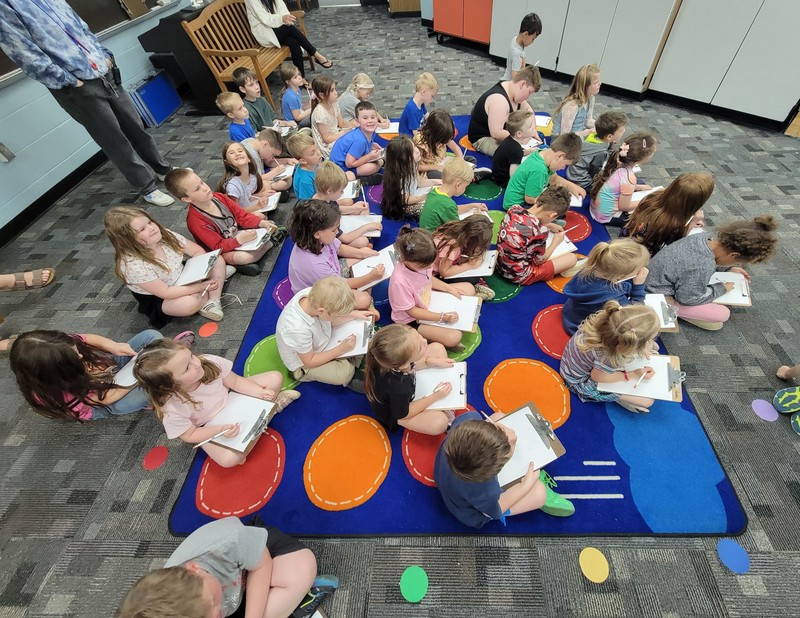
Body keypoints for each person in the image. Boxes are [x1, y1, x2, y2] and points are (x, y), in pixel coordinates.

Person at [0, 0, 174, 206]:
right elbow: (25, 54)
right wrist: (70, 81)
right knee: (114, 139)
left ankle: (163, 170)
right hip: (75, 86)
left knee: (135, 125)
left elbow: (80, 26)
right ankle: (147, 188)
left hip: (104, 71)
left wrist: (104, 54)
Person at [117, 516, 338, 618]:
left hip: (255, 557)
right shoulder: (180, 602)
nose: (217, 614)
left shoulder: (227, 542)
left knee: (303, 566)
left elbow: (262, 564)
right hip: (236, 593)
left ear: (193, 569)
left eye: (213, 603)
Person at [134, 338, 300, 468]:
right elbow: (190, 435)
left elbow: (235, 382)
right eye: (186, 368)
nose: (197, 363)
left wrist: (260, 393)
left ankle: (262, 418)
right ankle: (267, 415)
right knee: (229, 460)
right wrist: (219, 430)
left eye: (191, 356)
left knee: (275, 378)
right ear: (169, 385)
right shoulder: (170, 408)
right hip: (211, 426)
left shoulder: (207, 362)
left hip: (231, 398)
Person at [434, 410, 574, 528]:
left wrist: (498, 433)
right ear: (492, 471)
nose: (512, 435)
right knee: (539, 493)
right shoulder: (485, 488)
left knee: (499, 416)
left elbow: (496, 431)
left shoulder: (468, 419)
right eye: (510, 446)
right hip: (470, 510)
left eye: (498, 429)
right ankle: (529, 487)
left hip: (450, 472)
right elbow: (495, 510)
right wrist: (525, 486)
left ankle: (498, 438)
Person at [646, 215, 778, 331]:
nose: (735, 265)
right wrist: (720, 289)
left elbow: (690, 266)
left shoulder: (703, 237)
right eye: (736, 262)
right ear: (734, 255)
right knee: (722, 315)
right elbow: (688, 298)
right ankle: (675, 312)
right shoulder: (702, 265)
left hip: (655, 278)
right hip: (657, 295)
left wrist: (727, 269)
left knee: (715, 313)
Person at [104, 206, 228, 325]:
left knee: (217, 260)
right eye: (142, 229)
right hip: (161, 296)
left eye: (150, 222)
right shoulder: (134, 265)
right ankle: (215, 283)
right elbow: (166, 292)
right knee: (189, 304)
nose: (152, 228)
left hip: (182, 274)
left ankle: (212, 300)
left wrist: (200, 274)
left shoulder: (166, 235)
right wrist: (200, 286)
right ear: (128, 240)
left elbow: (198, 252)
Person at [9, 329, 167, 421]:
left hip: (107, 370)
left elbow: (86, 338)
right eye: (76, 357)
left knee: (150, 335)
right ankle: (164, 365)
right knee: (145, 391)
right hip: (103, 401)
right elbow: (105, 398)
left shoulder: (60, 346)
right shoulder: (56, 394)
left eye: (77, 351)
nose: (81, 355)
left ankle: (163, 367)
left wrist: (113, 346)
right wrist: (137, 377)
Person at [166, 168, 285, 277]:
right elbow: (218, 246)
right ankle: (270, 243)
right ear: (187, 199)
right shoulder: (196, 221)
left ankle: (257, 250)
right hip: (223, 249)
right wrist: (239, 241)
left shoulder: (220, 197)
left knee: (260, 217)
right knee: (244, 257)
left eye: (202, 182)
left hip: (236, 234)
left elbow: (241, 216)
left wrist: (260, 223)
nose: (205, 188)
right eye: (197, 189)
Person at [276, 276, 377, 391]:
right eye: (338, 315)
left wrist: (354, 315)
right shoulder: (296, 328)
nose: (340, 316)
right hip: (304, 363)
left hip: (323, 337)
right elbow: (309, 361)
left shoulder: (314, 295)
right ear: (321, 311)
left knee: (361, 334)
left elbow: (330, 319)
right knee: (344, 373)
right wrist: (341, 349)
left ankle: (349, 359)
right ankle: (348, 364)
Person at [560, 301, 660, 414]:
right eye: (649, 339)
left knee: (652, 348)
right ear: (629, 345)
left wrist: (645, 346)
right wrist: (633, 374)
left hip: (582, 363)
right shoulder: (607, 357)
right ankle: (617, 398)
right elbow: (598, 377)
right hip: (580, 382)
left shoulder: (608, 321)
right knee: (647, 402)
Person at [364, 324, 454, 435]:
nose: (425, 340)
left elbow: (411, 365)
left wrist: (429, 361)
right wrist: (435, 397)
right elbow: (404, 413)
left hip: (404, 388)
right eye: (420, 347)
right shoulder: (398, 387)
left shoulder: (390, 362)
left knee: (437, 348)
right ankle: (405, 422)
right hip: (400, 413)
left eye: (419, 335)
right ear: (403, 365)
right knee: (439, 423)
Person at [287, 199, 380, 303]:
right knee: (364, 299)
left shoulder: (320, 238)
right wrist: (370, 278)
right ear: (317, 234)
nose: (337, 232)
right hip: (321, 293)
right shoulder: (314, 264)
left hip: (333, 274)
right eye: (334, 230)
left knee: (366, 258)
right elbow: (341, 284)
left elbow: (340, 248)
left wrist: (363, 253)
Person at [388, 226, 465, 351]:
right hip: (411, 319)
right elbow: (412, 311)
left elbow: (428, 278)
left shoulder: (422, 261)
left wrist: (448, 288)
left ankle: (437, 332)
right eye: (424, 265)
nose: (429, 267)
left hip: (428, 299)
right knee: (454, 337)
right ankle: (426, 336)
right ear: (405, 259)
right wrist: (442, 317)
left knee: (468, 289)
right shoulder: (400, 282)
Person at [561, 238, 650, 335]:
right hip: (581, 329)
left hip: (570, 314)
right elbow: (634, 314)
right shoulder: (615, 298)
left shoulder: (589, 268)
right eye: (638, 270)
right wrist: (638, 287)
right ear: (620, 276)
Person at [497, 186, 580, 285]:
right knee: (572, 258)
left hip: (499, 263)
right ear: (552, 215)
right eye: (554, 218)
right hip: (518, 275)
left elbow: (524, 223)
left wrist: (548, 225)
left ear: (537, 199)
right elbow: (539, 261)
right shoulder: (540, 232)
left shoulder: (514, 209)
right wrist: (555, 242)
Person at [621, 172, 715, 256]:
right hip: (639, 255)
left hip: (626, 237)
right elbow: (675, 245)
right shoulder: (673, 224)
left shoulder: (654, 196)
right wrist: (692, 223)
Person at [244, 0, 333, 76]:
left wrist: (285, 18)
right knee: (290, 29)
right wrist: (281, 19)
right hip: (264, 32)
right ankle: (316, 54)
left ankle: (300, 77)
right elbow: (264, 18)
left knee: (293, 42)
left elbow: (282, 8)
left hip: (278, 28)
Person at [467, 66, 540, 157]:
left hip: (500, 133)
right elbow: (496, 133)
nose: (528, 97)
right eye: (529, 92)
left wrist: (533, 131)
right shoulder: (499, 100)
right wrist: (520, 138)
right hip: (483, 138)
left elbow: (529, 111)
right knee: (515, 154)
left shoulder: (513, 90)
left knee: (524, 148)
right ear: (522, 84)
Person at [589, 132, 658, 226]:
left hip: (595, 208)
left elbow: (617, 184)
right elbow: (624, 207)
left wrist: (638, 187)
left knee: (641, 184)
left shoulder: (617, 160)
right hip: (606, 217)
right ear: (645, 157)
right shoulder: (629, 178)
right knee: (647, 213)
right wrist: (646, 201)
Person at [502, 132, 584, 210]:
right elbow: (530, 199)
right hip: (517, 205)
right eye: (565, 165)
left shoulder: (545, 153)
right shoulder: (539, 170)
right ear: (560, 156)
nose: (563, 168)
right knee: (554, 211)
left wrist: (572, 187)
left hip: (527, 197)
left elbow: (553, 178)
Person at [312, 161, 377, 248]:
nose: (342, 193)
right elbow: (346, 238)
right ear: (329, 191)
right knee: (362, 242)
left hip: (339, 224)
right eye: (341, 191)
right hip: (334, 238)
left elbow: (336, 208)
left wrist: (355, 208)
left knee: (363, 208)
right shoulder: (323, 214)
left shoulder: (323, 197)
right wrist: (366, 227)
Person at [433, 216, 495, 300]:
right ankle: (439, 292)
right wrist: (469, 265)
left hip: (436, 272)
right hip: (432, 277)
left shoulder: (458, 230)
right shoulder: (453, 246)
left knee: (473, 278)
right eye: (478, 246)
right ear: (469, 241)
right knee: (470, 285)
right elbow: (444, 272)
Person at [381, 135, 441, 220]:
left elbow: (419, 182)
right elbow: (406, 200)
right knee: (434, 208)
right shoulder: (399, 177)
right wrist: (425, 196)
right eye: (412, 151)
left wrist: (438, 182)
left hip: (415, 194)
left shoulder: (413, 163)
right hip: (404, 206)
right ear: (403, 158)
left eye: (415, 147)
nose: (417, 151)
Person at [566, 110, 628, 192]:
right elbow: (595, 172)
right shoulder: (601, 152)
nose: (624, 131)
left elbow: (608, 150)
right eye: (621, 130)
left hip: (573, 172)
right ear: (609, 137)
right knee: (608, 190)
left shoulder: (595, 136)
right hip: (580, 180)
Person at [419, 157, 487, 231]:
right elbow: (459, 231)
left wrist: (473, 205)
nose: (465, 189)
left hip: (425, 235)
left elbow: (453, 209)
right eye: (465, 186)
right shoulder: (448, 205)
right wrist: (475, 218)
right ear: (458, 185)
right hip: (434, 240)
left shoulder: (434, 191)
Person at [329, 101, 385, 184]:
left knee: (379, 160)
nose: (370, 121)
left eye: (373, 117)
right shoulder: (359, 140)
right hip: (340, 169)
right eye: (365, 118)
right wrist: (369, 157)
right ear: (357, 121)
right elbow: (350, 164)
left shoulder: (370, 133)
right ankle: (362, 179)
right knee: (373, 166)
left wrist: (372, 144)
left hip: (347, 162)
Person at [412, 109, 474, 180]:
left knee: (471, 160)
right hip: (430, 168)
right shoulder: (420, 141)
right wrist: (437, 167)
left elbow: (455, 148)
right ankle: (464, 177)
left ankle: (466, 176)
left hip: (443, 161)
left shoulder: (444, 134)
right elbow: (417, 166)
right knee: (438, 175)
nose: (444, 142)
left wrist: (460, 160)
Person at [218, 141, 278, 213]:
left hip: (246, 206)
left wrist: (260, 195)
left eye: (240, 151)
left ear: (249, 158)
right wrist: (257, 206)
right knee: (260, 217)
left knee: (266, 184)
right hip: (237, 216)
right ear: (228, 162)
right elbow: (236, 213)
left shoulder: (252, 176)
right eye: (231, 153)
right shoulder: (232, 186)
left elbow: (247, 195)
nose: (237, 154)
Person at [233, 66, 295, 132]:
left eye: (256, 82)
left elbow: (273, 120)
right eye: (251, 85)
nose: (257, 87)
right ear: (243, 89)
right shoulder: (245, 109)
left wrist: (286, 123)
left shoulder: (262, 100)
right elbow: (254, 133)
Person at [492, 110, 539, 188]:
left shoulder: (510, 140)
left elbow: (514, 154)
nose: (533, 127)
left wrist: (529, 151)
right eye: (530, 126)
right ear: (519, 134)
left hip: (498, 173)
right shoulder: (515, 149)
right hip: (504, 180)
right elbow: (513, 175)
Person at [311, 75, 354, 158]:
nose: (336, 92)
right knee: (351, 144)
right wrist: (343, 133)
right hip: (327, 145)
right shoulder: (320, 113)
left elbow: (342, 123)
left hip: (336, 133)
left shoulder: (334, 103)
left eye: (335, 89)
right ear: (322, 95)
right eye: (332, 90)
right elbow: (326, 139)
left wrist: (355, 124)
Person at [552, 64, 601, 136]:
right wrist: (587, 132)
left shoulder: (591, 98)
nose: (600, 83)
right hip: (562, 141)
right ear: (585, 86)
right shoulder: (572, 106)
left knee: (605, 140)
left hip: (576, 138)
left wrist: (604, 128)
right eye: (596, 82)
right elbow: (565, 135)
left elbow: (588, 121)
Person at [242, 129, 295, 193]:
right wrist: (276, 171)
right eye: (273, 155)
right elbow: (256, 180)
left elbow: (269, 162)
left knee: (287, 178)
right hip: (248, 185)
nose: (272, 158)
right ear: (265, 144)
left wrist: (287, 160)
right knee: (285, 183)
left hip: (259, 176)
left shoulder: (252, 141)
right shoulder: (251, 155)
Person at [502, 12, 542, 80]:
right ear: (526, 34)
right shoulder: (517, 54)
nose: (533, 42)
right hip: (509, 83)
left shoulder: (515, 39)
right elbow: (514, 79)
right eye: (533, 39)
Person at [280, 62, 312, 128]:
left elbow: (299, 108)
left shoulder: (297, 90)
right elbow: (297, 117)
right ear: (288, 82)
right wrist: (311, 109)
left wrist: (309, 104)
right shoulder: (291, 97)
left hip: (298, 118)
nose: (300, 78)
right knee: (316, 115)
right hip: (295, 124)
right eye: (295, 77)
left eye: (299, 74)